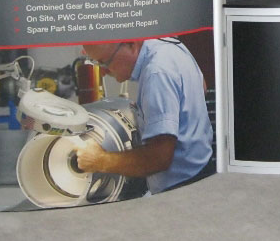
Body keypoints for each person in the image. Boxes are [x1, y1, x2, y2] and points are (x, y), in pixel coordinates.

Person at [74, 38, 214, 194]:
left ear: (131, 44)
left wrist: (100, 160)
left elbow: (159, 159)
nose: (103, 72)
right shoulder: (169, 43)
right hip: (203, 173)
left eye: (104, 62)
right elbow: (202, 87)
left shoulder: (156, 73)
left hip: (182, 190)